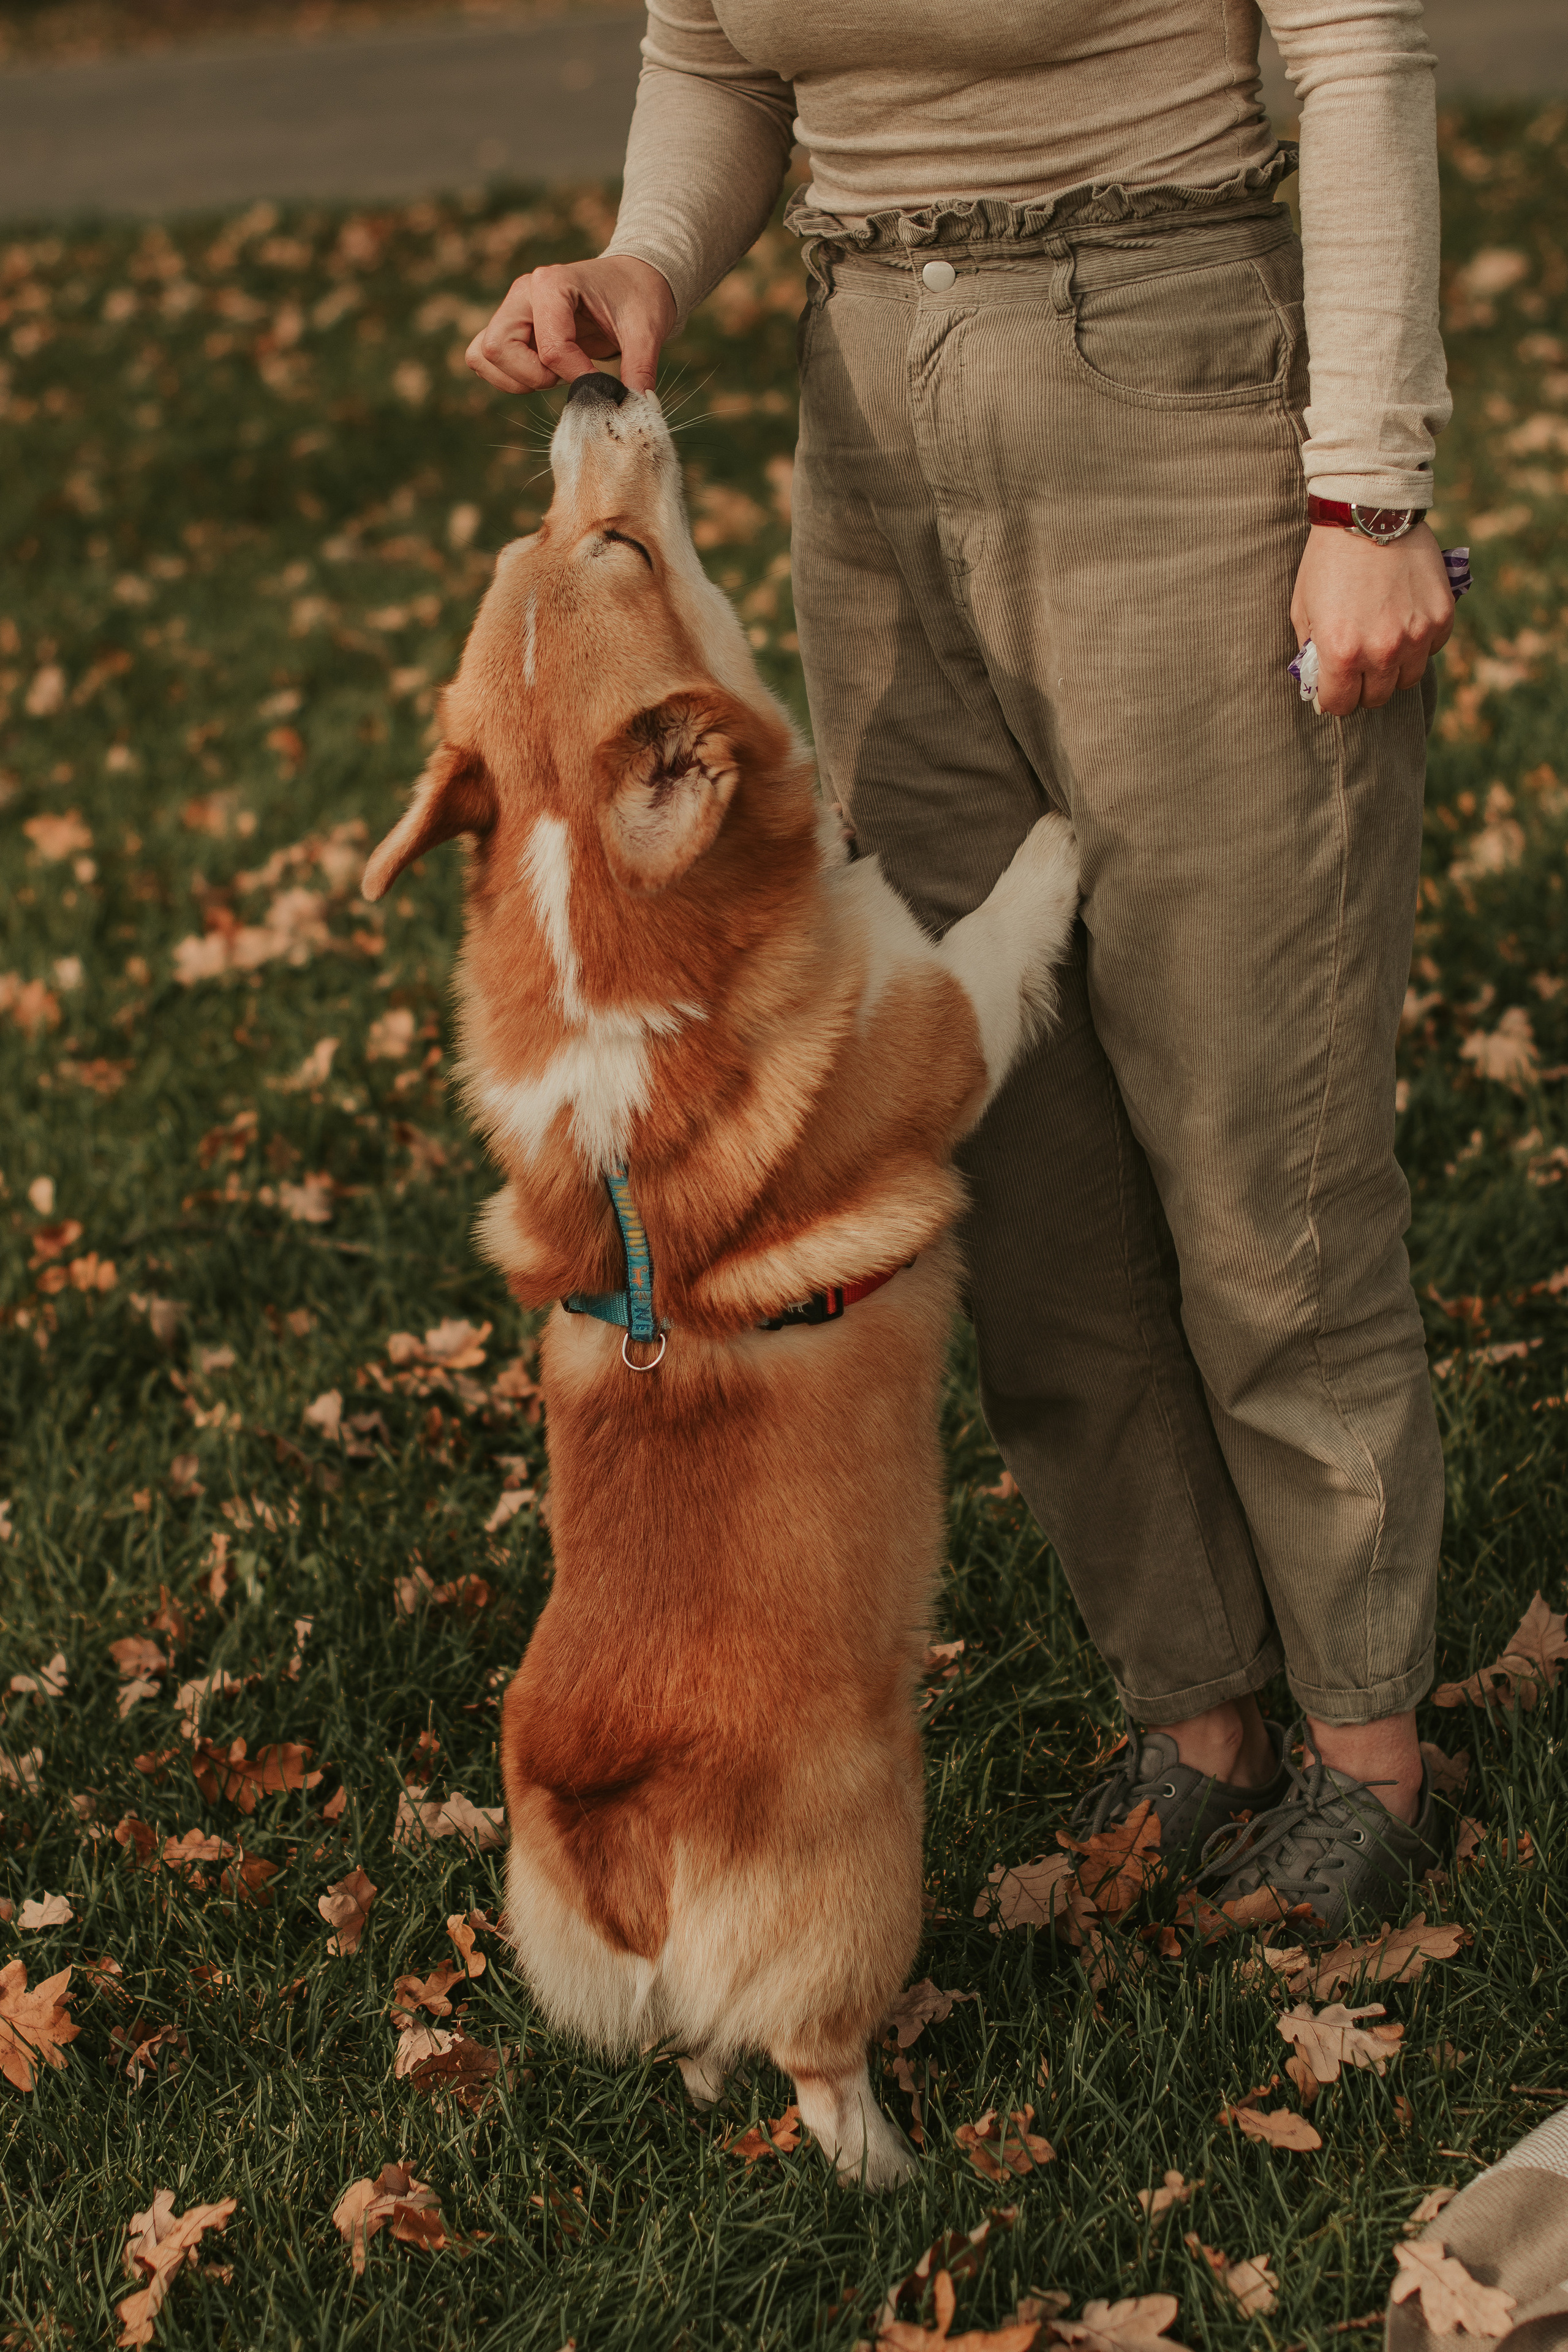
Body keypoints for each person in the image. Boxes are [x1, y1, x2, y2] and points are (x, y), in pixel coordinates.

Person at [467, 0, 1458, 1931]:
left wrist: (1374, 492)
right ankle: (1199, 1714)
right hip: (873, 429)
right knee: (1017, 1160)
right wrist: (645, 256)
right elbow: (722, 55)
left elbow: (1357, 47)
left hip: (1182, 388)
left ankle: (1372, 1746)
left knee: (1263, 1160)